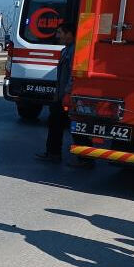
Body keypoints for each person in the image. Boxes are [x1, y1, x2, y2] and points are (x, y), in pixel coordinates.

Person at [35, 24, 92, 167]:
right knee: (55, 123)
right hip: (61, 96)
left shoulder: (76, 51)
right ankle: (53, 153)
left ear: (69, 33)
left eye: (60, 33)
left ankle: (86, 159)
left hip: (70, 97)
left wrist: (68, 93)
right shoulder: (66, 50)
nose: (57, 36)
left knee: (76, 127)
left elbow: (74, 75)